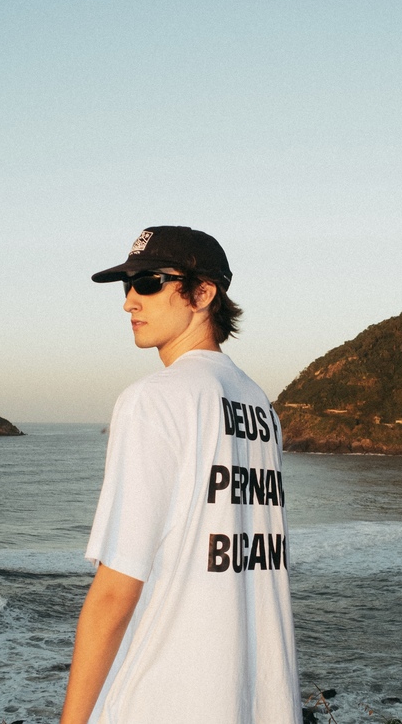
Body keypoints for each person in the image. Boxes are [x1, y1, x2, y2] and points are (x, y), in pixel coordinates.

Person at [59, 226, 303, 724]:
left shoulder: (153, 401)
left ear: (203, 293)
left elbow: (115, 591)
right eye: (126, 285)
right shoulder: (260, 405)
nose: (129, 301)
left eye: (149, 282)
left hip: (164, 697)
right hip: (255, 701)